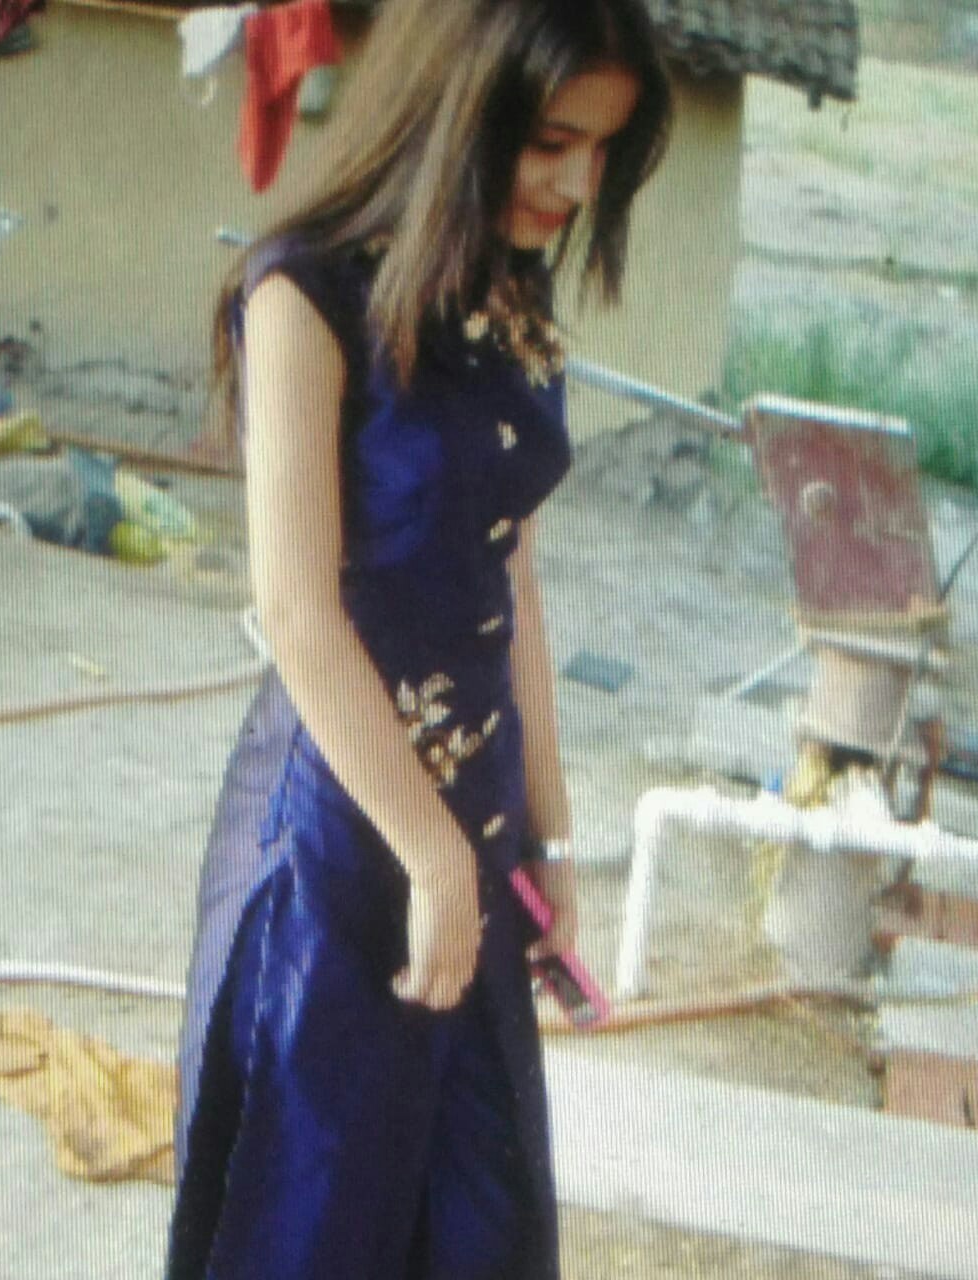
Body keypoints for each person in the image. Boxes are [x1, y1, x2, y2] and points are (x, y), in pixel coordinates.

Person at [166, 2, 670, 1276]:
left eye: (602, 150)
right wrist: (435, 859)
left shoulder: (509, 295)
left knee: (478, 1228)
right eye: (549, 141)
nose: (577, 183)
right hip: (336, 841)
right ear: (459, 112)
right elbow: (295, 608)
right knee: (314, 1218)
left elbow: (514, 581)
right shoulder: (303, 290)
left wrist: (548, 835)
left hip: (476, 832)